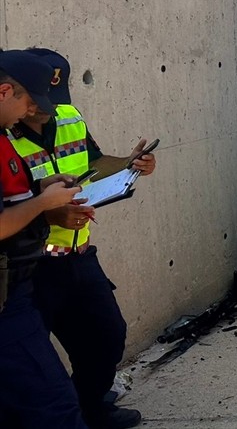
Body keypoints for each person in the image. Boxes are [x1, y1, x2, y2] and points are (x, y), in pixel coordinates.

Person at [7, 49, 154, 429]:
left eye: (50, 103)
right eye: (35, 102)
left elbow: (92, 163)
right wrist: (47, 209)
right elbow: (16, 202)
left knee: (106, 336)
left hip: (79, 253)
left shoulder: (68, 116)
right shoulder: (6, 132)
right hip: (31, 267)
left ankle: (92, 407)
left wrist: (129, 164)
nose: (43, 110)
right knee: (38, 373)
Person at [0, 50, 88, 428]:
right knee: (55, 408)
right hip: (6, 302)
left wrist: (41, 186)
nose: (30, 112)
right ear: (5, 91)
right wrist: (43, 204)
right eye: (28, 102)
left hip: (17, 287)